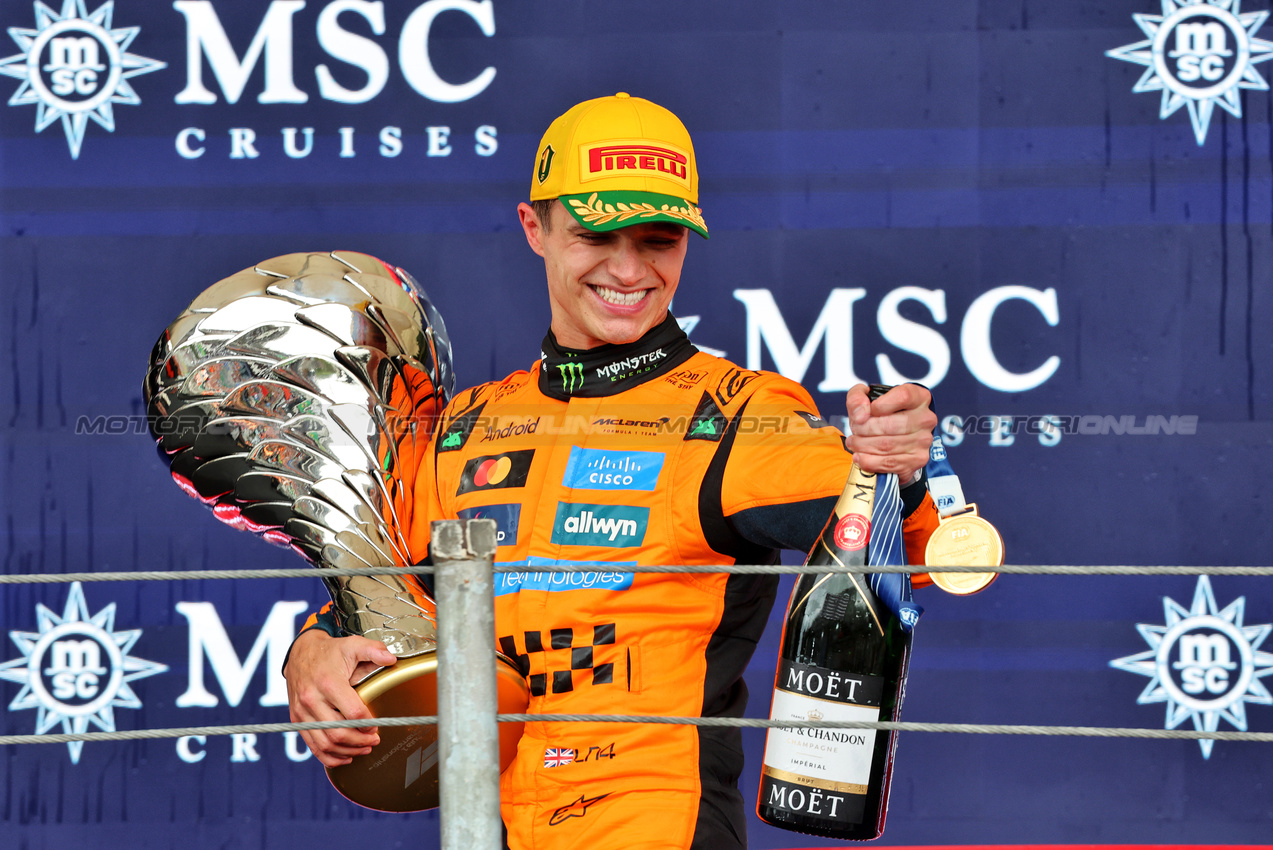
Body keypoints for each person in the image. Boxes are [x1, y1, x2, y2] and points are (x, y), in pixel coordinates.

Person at [285, 93, 940, 849]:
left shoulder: (736, 414)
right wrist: (312, 648)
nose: (628, 270)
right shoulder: (462, 430)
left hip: (658, 820)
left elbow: (890, 542)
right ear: (535, 227)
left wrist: (894, 471)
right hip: (482, 823)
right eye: (595, 235)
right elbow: (382, 599)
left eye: (658, 240)